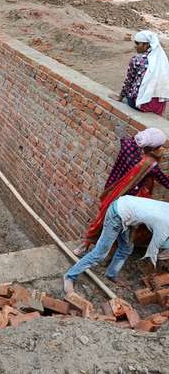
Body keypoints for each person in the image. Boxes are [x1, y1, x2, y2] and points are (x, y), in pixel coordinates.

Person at [73, 127, 169, 256]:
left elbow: (127, 139)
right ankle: (106, 253)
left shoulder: (127, 145)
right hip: (126, 197)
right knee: (119, 226)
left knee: (100, 218)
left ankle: (85, 246)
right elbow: (165, 181)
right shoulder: (148, 164)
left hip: (111, 188)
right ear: (152, 148)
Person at [64, 195, 169, 293]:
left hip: (128, 211)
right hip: (117, 214)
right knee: (100, 253)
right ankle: (69, 276)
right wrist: (152, 279)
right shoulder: (163, 227)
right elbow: (152, 257)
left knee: (126, 248)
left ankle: (111, 274)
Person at [116, 30, 169, 116]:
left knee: (128, 95)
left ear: (146, 45)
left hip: (140, 104)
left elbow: (129, 81)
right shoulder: (161, 59)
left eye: (137, 44)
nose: (135, 46)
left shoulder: (137, 60)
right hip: (158, 107)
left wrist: (120, 97)